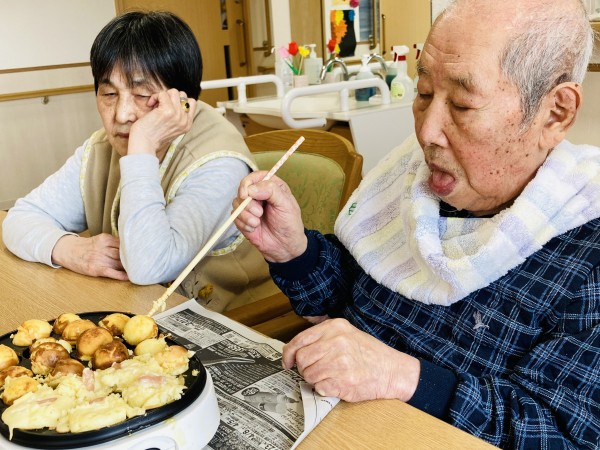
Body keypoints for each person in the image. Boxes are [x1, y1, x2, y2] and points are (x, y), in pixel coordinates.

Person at [233, 0, 600, 448]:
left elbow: (565, 435)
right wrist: (294, 252)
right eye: (424, 93)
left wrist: (403, 376)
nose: (426, 132)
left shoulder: (586, 251)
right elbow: (348, 297)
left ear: (556, 112)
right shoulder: (411, 178)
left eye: (462, 104)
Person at [2, 11, 278, 312]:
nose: (122, 114)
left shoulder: (219, 163)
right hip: (134, 312)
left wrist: (142, 147)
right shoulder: (101, 148)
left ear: (183, 103)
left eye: (142, 94)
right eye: (109, 93)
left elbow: (149, 266)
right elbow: (20, 218)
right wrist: (69, 249)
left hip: (235, 320)